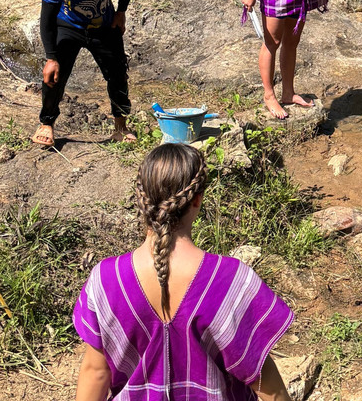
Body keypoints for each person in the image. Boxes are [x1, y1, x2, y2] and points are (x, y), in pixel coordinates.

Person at [73, 143, 294, 401]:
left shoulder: (105, 280)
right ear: (197, 199)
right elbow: (263, 381)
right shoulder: (231, 280)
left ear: (140, 199)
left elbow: (96, 372)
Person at [33, 0, 137, 148]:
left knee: (118, 73)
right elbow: (47, 18)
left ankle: (121, 126)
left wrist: (121, 11)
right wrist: (51, 57)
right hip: (68, 26)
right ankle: (46, 124)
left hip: (104, 25)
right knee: (54, 77)